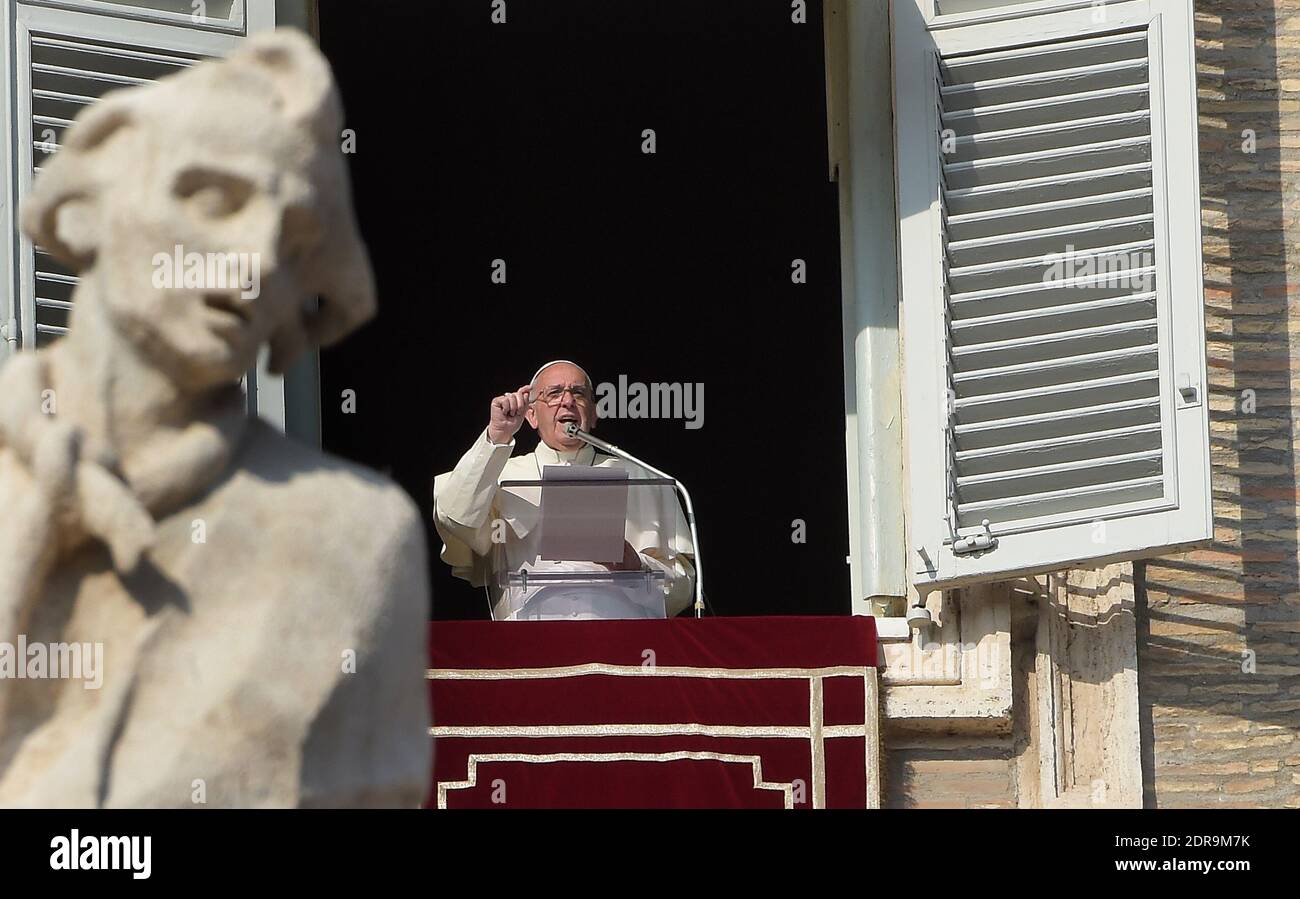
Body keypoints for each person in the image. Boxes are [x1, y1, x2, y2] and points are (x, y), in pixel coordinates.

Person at [433, 360, 695, 619]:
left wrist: (636, 568)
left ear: (594, 413)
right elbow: (455, 518)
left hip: (618, 647)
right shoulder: (500, 476)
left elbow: (684, 587)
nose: (567, 401)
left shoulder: (643, 477)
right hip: (528, 643)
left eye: (578, 393)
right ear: (531, 415)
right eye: (554, 393)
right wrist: (497, 434)